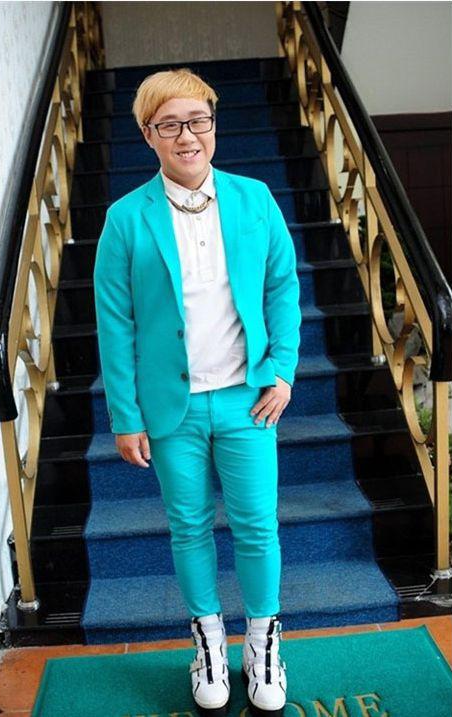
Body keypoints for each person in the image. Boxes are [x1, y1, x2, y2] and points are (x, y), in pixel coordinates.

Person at [93, 67, 301, 717]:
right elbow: (116, 323)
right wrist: (125, 416)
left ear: (213, 124)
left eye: (198, 120)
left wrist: (283, 370)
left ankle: (262, 644)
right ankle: (209, 642)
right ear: (148, 134)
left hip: (247, 399)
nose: (187, 136)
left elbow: (282, 286)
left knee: (258, 526)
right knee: (188, 527)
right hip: (171, 409)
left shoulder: (254, 198)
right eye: (170, 125)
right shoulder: (125, 219)